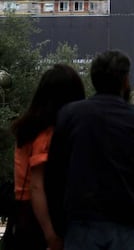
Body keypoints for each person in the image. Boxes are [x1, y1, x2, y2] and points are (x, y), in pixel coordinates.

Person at [45, 50, 134, 250]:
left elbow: (54, 173)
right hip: (127, 222)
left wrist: (59, 224)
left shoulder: (70, 116)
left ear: (93, 78)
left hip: (81, 222)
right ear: (125, 81)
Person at [10, 64, 85, 250]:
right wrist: (50, 234)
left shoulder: (30, 129)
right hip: (38, 218)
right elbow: (37, 186)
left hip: (22, 214)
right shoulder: (47, 135)